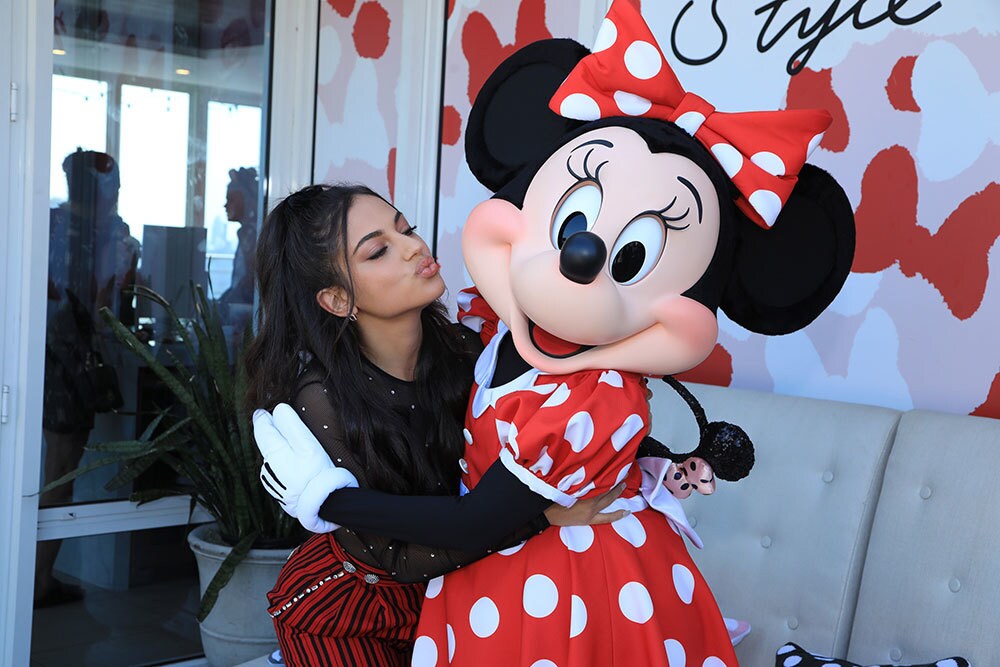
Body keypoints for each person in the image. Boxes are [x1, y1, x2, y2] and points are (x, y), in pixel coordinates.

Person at [244, 184, 629, 666]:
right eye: (380, 250)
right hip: (345, 613)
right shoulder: (320, 400)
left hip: (459, 590)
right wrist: (540, 518)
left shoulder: (469, 354)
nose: (414, 248)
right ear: (338, 299)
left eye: (407, 229)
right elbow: (402, 558)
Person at [37, 149, 139, 607]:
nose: (116, 193)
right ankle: (36, 581)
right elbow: (106, 307)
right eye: (111, 185)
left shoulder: (52, 223)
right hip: (69, 365)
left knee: (51, 473)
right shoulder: (103, 233)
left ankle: (33, 575)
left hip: (41, 357)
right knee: (59, 475)